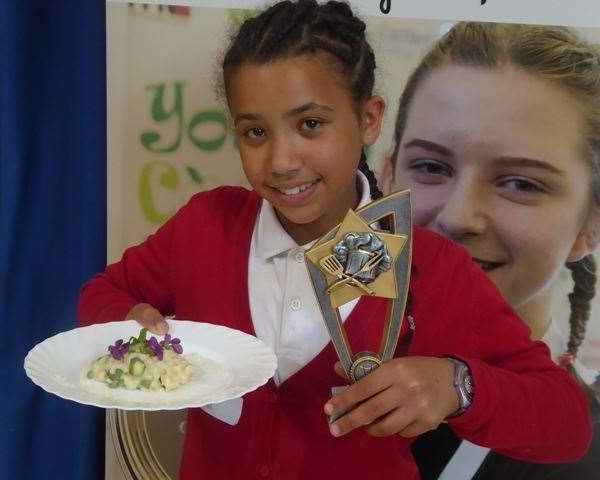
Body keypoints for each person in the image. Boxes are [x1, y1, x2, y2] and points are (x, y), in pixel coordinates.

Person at [78, 3, 592, 479]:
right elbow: (103, 294)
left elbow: (565, 421)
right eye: (255, 133)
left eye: (310, 124)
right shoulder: (206, 227)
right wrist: (128, 325)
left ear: (368, 120)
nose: (282, 160)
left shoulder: (428, 267)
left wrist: (457, 387)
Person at [387, 21, 600, 479]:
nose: (458, 217)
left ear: (590, 223)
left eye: (520, 183)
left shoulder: (582, 453)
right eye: (430, 166)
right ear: (386, 179)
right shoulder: (295, 368)